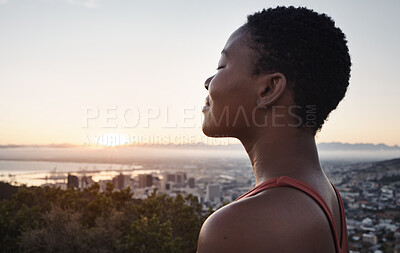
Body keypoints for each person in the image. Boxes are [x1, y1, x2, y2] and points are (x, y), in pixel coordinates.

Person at [197, 6, 351, 253]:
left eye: (221, 67)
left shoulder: (238, 227)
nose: (207, 83)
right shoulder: (326, 194)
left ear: (269, 89)